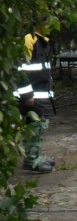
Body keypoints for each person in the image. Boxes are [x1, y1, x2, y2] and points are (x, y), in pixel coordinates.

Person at [15, 24, 56, 173]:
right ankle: (31, 160)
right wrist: (27, 94)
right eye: (47, 22)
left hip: (41, 92)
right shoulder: (29, 39)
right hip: (32, 94)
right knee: (36, 125)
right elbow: (21, 69)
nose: (50, 26)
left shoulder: (43, 41)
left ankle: (36, 155)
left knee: (41, 125)